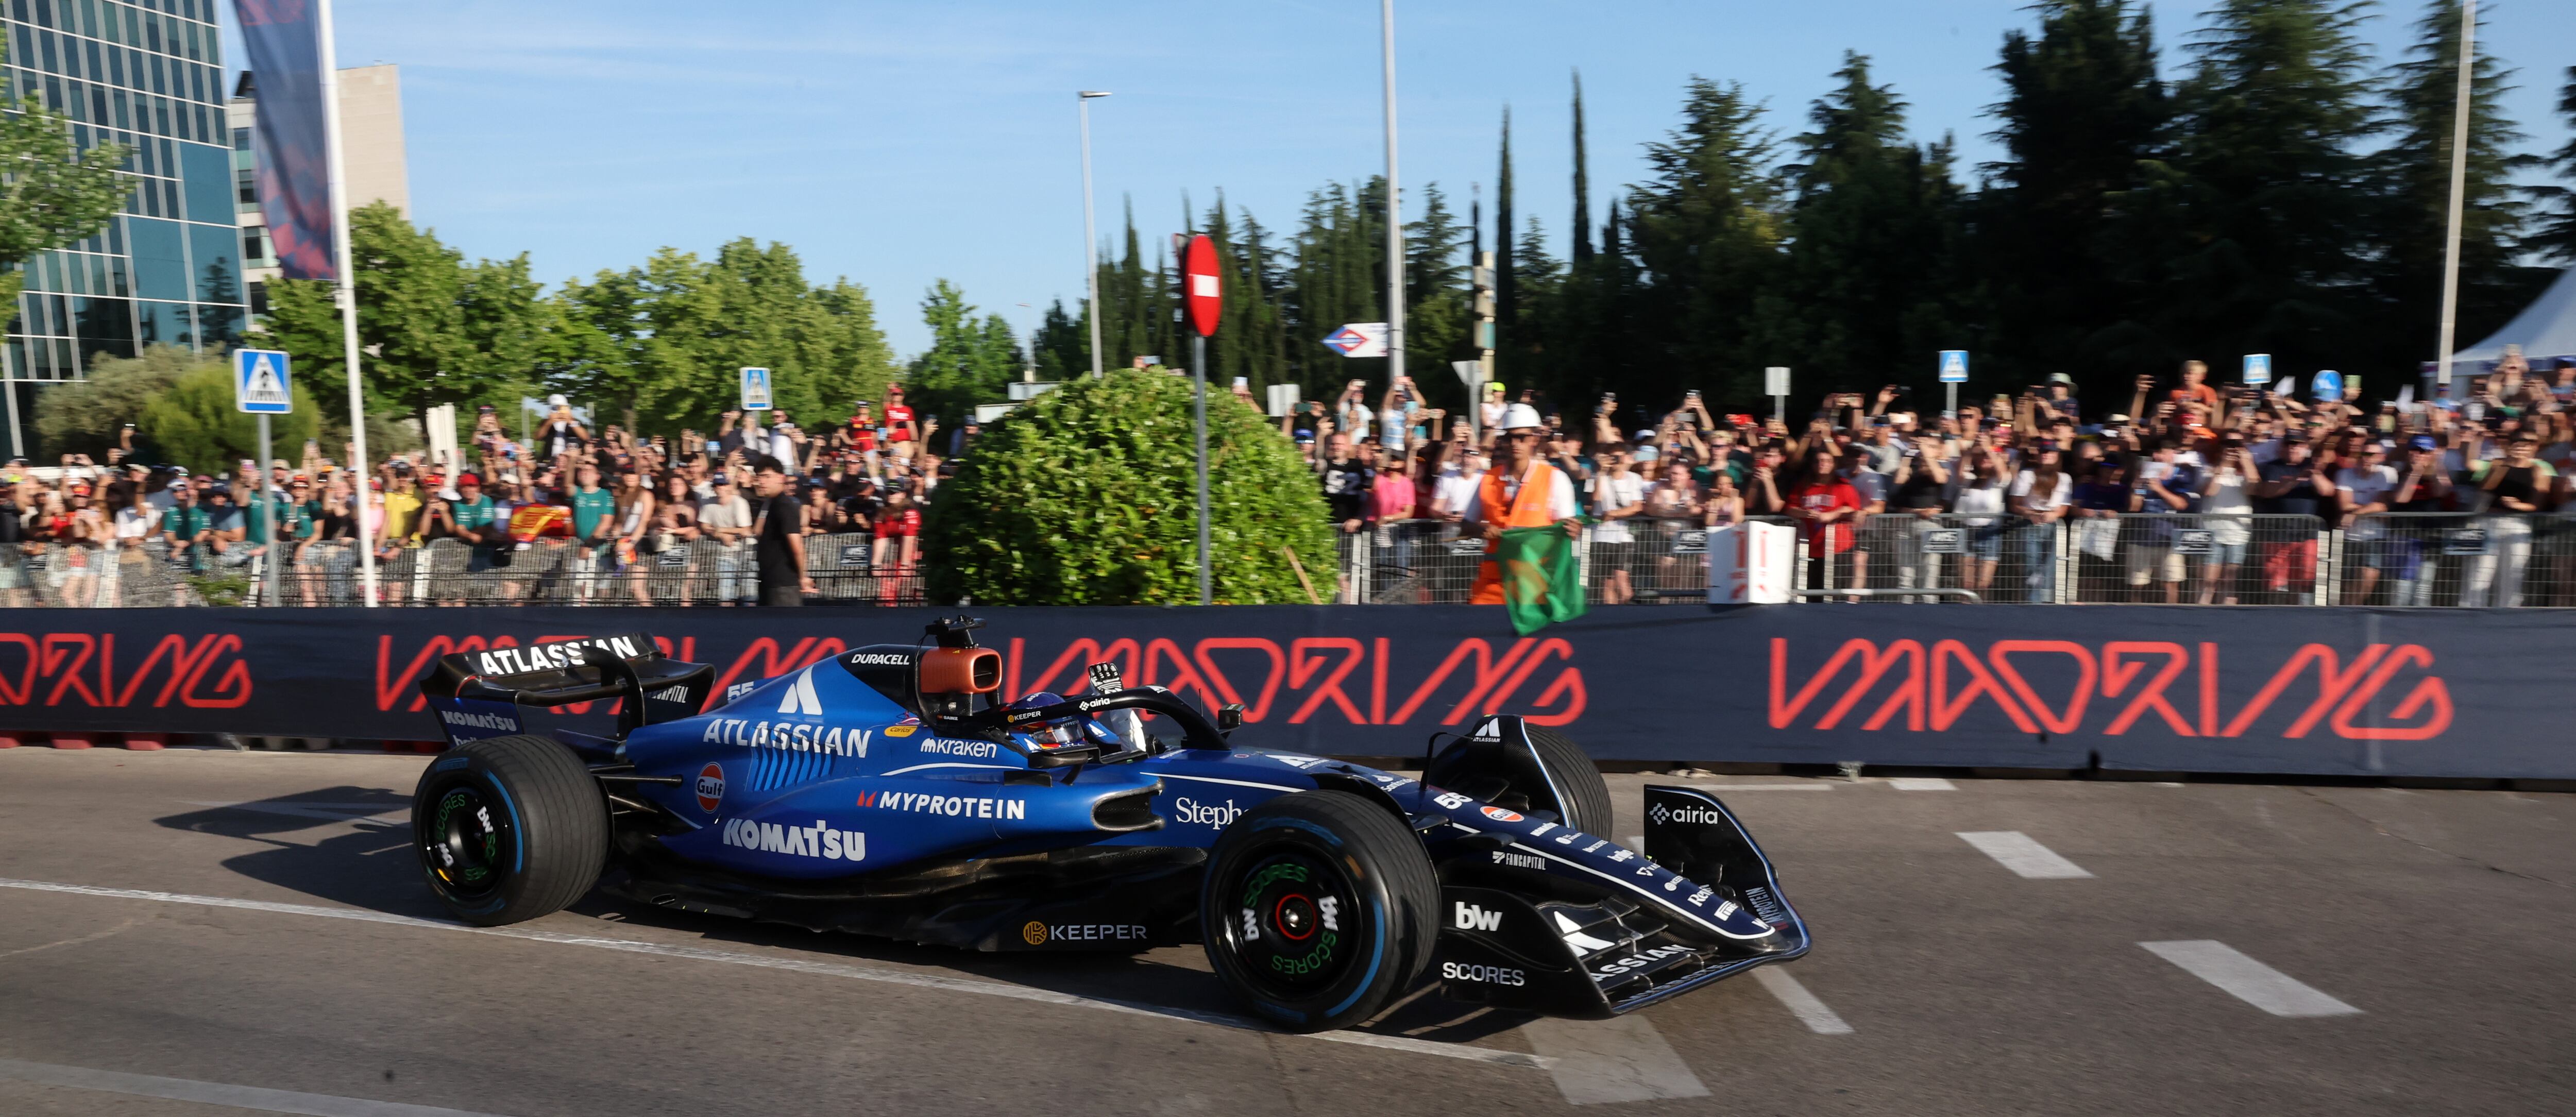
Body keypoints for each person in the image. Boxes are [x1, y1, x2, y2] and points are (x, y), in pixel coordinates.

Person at [1462, 403, 1582, 605]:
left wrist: (1574, 529)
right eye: (1509, 437)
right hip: (1495, 582)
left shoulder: (1555, 479)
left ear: (1534, 439)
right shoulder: (1487, 479)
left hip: (1536, 581)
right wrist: (1482, 529)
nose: (1515, 443)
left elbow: (1566, 529)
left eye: (1522, 437)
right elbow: (1466, 525)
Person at [2252, 438, 2331, 599]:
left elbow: (2327, 491)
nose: (2293, 448)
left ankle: (2302, 620)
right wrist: (2297, 478)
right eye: (2289, 444)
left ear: (2305, 447)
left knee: (2303, 583)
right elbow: (2267, 491)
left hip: (2307, 536)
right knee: (2274, 584)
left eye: (2298, 445)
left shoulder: (2313, 466)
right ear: (2281, 447)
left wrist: (2314, 473)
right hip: (2275, 536)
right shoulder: (2271, 467)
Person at [1788, 450, 1865, 601]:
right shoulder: (1803, 486)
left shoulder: (1843, 485)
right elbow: (1790, 508)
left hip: (1838, 548)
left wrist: (1834, 514)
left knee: (1836, 594)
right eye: (1818, 461)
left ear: (1833, 464)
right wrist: (1804, 513)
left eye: (1827, 461)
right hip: (1811, 548)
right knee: (1813, 594)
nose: (1822, 464)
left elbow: (1854, 508)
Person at [2009, 442, 2072, 603]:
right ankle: (2033, 604)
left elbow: (2064, 507)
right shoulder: (2027, 475)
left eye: (2050, 452)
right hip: (2030, 526)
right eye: (2043, 451)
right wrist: (2030, 514)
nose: (2046, 455)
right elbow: (2015, 504)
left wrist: (2054, 514)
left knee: (2050, 569)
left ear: (2057, 456)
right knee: (2031, 568)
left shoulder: (2065, 478)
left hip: (2054, 526)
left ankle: (2047, 604)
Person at [749, 460, 816, 606]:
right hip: (769, 581)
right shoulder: (771, 504)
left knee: (786, 628)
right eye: (759, 477)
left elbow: (797, 547)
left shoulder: (785, 506)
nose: (762, 481)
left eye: (767, 476)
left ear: (781, 478)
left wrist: (804, 576)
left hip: (784, 586)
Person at [1587, 443, 1645, 604]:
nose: (1617, 461)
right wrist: (1601, 472)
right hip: (1601, 536)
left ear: (1626, 458)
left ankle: (1633, 613)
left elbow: (1637, 506)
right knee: (1607, 583)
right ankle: (1611, 617)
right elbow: (1595, 499)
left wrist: (1613, 513)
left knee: (1621, 578)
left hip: (1623, 537)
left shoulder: (1634, 478)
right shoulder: (1599, 476)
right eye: (1613, 457)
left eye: (1620, 457)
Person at [698, 474, 754, 605]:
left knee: (750, 597)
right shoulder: (708, 503)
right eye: (717, 486)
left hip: (745, 553)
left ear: (729, 486)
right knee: (725, 597)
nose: (720, 488)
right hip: (724, 555)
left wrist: (722, 530)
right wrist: (720, 535)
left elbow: (746, 530)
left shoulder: (739, 502)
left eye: (723, 485)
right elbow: (704, 525)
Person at [567, 461, 618, 600]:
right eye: (582, 470)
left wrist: (589, 544)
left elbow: (607, 522)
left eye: (589, 470)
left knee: (600, 586)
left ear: (597, 476)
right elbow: (567, 487)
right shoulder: (578, 493)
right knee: (581, 584)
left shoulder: (605, 494)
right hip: (580, 544)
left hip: (599, 545)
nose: (584, 472)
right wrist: (571, 464)